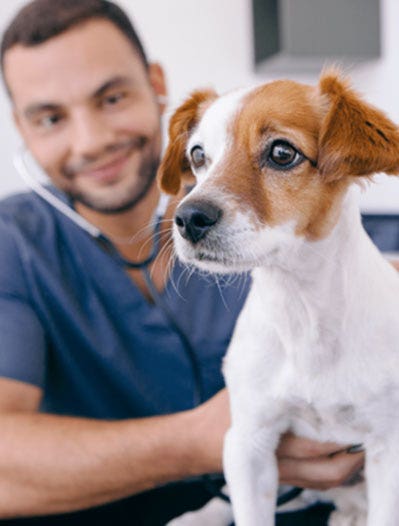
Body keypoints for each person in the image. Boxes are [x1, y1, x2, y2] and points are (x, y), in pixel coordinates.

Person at [0, 0, 364, 524]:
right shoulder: (15, 244)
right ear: (22, 128)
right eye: (51, 117)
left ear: (155, 82)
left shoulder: (286, 215)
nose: (92, 140)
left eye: (112, 97)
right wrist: (201, 439)